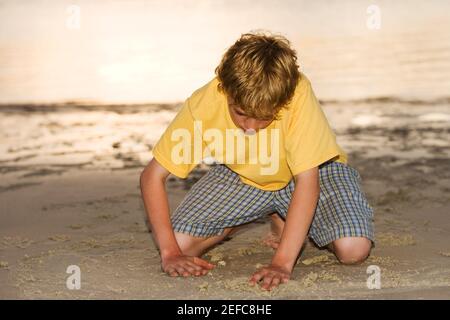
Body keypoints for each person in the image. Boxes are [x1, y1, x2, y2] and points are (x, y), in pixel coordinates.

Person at [140, 32, 374, 291]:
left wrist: (283, 262)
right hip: (245, 176)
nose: (250, 128)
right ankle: (261, 213)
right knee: (179, 244)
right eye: (240, 113)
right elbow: (152, 176)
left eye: (264, 117)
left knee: (353, 250)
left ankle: (288, 218)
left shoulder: (297, 92)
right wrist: (170, 253)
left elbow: (307, 182)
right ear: (225, 89)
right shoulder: (204, 102)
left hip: (316, 171)